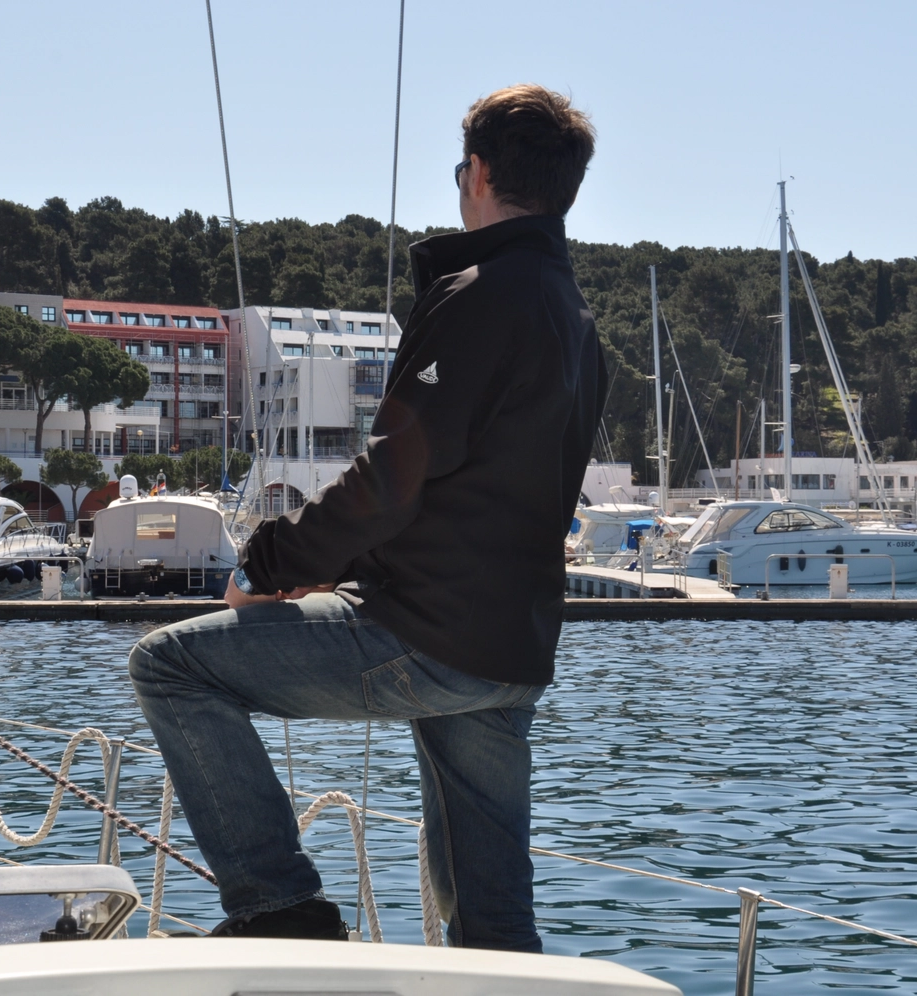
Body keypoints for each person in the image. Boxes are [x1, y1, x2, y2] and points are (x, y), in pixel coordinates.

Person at [129, 84, 603, 951]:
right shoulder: (574, 317)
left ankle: (281, 907)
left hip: (423, 631)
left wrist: (269, 564)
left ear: (482, 173)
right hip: (513, 646)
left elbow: (396, 473)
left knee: (171, 667)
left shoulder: (482, 294)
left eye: (462, 166)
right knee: (496, 932)